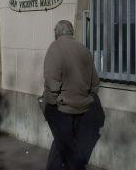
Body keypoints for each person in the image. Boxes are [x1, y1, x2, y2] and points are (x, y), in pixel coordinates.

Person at [43, 20, 105, 170]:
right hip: (82, 107)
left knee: (68, 147)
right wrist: (86, 98)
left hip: (62, 107)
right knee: (61, 142)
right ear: (71, 32)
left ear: (56, 33)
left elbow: (51, 80)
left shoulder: (55, 47)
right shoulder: (84, 49)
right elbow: (95, 83)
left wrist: (53, 101)